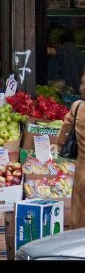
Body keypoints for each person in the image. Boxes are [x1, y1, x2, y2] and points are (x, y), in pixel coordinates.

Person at [57, 70, 85, 229]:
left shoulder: (77, 107)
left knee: (79, 220)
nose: (81, 87)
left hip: (82, 176)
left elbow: (63, 138)